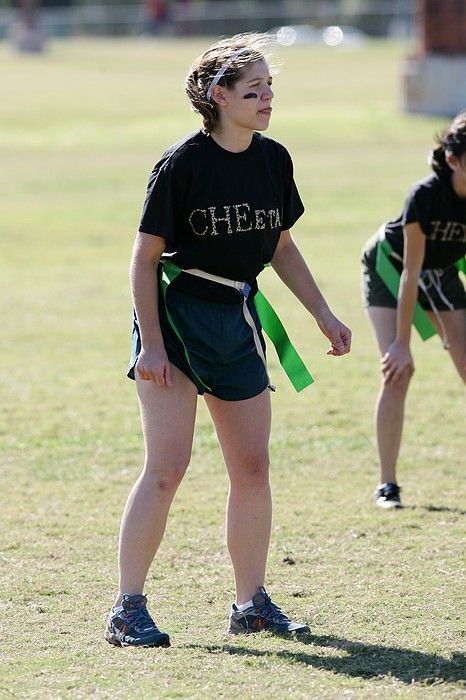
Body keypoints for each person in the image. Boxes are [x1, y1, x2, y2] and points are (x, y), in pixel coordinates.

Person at [105, 32, 352, 649]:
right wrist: (151, 345)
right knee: (168, 467)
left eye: (270, 87)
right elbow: (143, 259)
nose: (267, 98)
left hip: (236, 317)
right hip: (179, 314)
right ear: (218, 96)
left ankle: (250, 603)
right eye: (254, 89)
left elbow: (280, 247)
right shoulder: (182, 164)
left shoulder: (273, 159)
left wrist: (322, 313)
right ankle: (127, 608)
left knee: (253, 466)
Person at [361, 113, 466, 509]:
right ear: (453, 160)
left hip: (441, 272)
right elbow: (411, 271)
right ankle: (387, 486)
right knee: (398, 372)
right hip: (391, 268)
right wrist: (402, 344)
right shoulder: (425, 195)